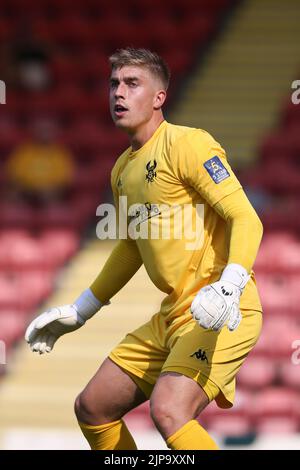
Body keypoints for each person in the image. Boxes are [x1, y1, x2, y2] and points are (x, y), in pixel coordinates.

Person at [25, 48, 263, 450]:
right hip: (172, 316)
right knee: (93, 407)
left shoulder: (189, 144)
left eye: (132, 83)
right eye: (114, 83)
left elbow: (246, 217)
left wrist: (230, 285)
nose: (118, 92)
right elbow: (132, 246)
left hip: (217, 309)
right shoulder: (121, 171)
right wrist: (80, 310)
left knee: (169, 411)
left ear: (159, 97)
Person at [5, 117, 74, 207]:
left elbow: (65, 178)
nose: (44, 134)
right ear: (35, 133)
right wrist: (29, 186)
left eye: (46, 131)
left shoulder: (60, 153)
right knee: (12, 195)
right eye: (41, 131)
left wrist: (48, 189)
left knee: (53, 198)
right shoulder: (24, 151)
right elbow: (14, 173)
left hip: (50, 192)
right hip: (25, 190)